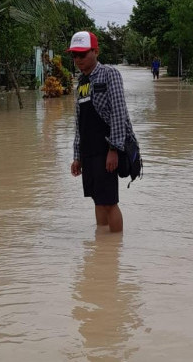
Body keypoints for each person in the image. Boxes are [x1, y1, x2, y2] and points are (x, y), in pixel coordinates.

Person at [69, 31, 137, 233]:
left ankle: (114, 251)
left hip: (106, 149)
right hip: (88, 151)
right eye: (74, 55)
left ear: (95, 51)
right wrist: (77, 156)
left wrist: (113, 149)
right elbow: (78, 121)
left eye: (82, 54)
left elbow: (119, 113)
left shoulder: (109, 74)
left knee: (109, 202)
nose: (78, 59)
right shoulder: (81, 82)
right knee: (97, 200)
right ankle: (102, 244)